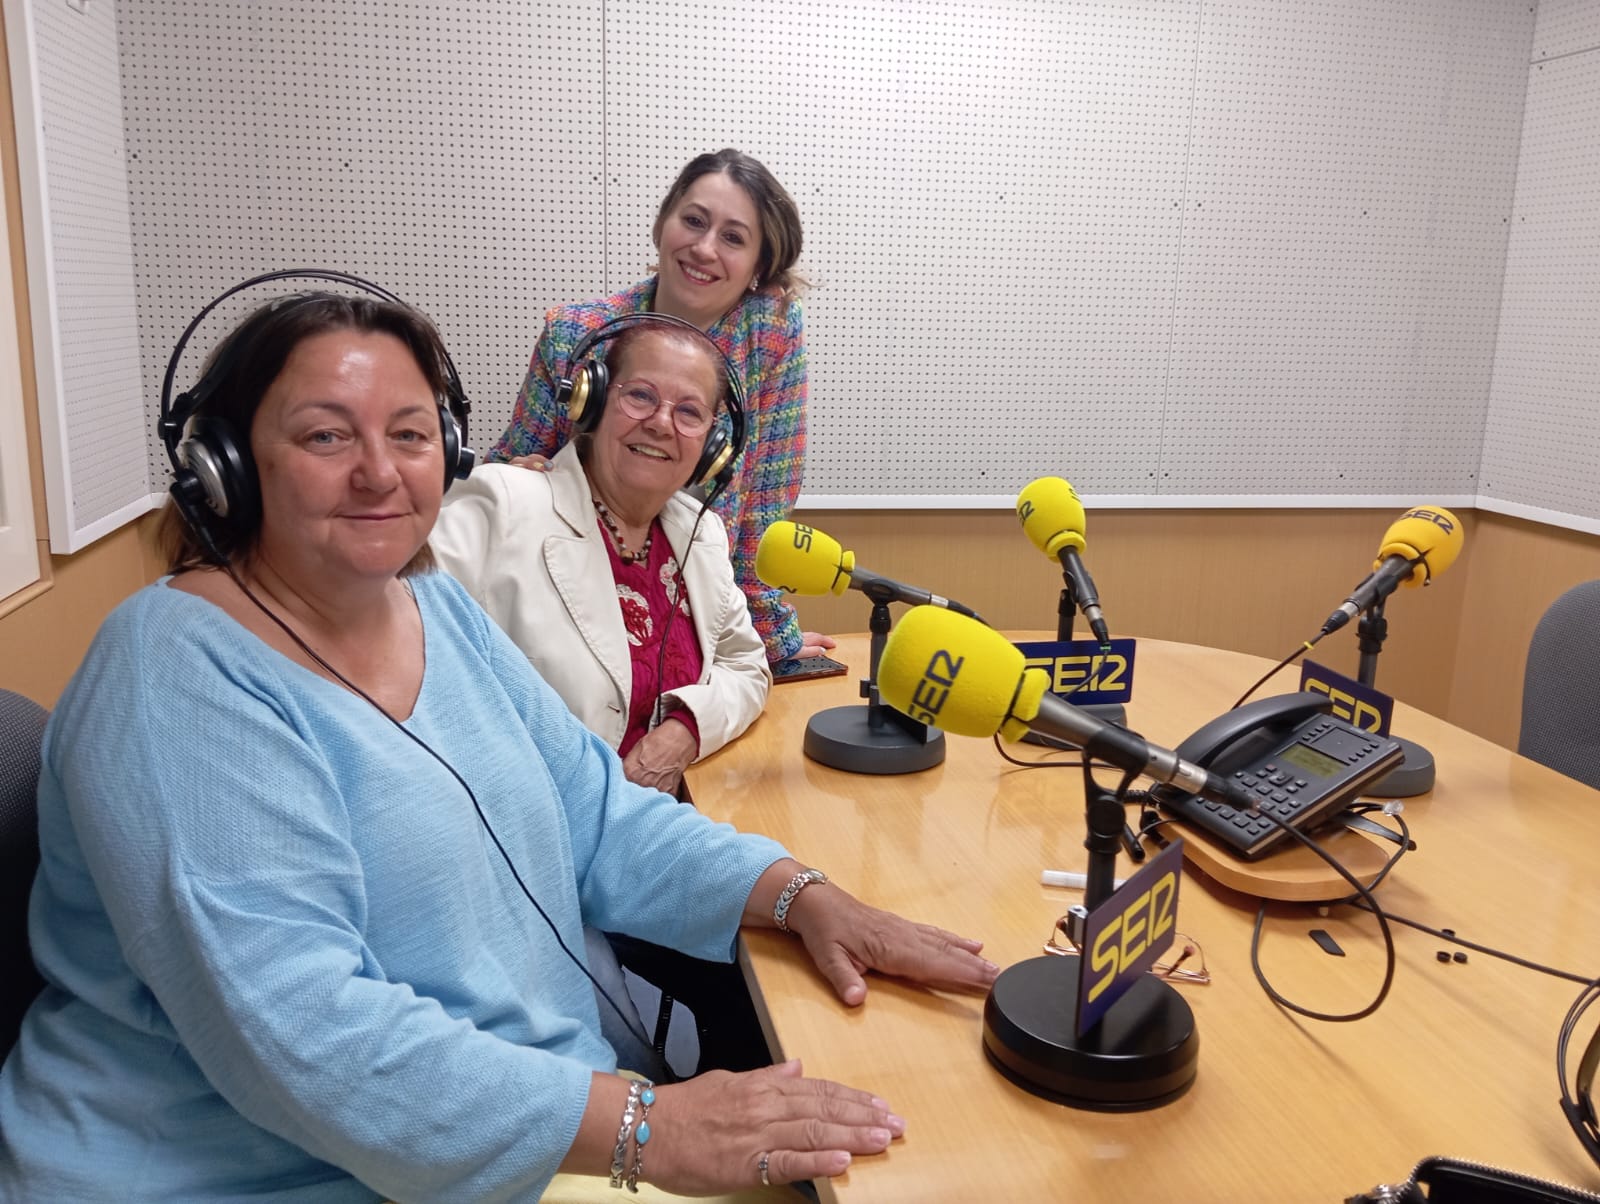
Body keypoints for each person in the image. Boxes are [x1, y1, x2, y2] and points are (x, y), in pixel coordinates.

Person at [0, 288, 998, 1202]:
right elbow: (304, 1032)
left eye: (409, 432)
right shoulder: (173, 676)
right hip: (253, 1170)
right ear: (222, 467)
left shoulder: (431, 605)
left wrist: (798, 891)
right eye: (324, 434)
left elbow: (596, 818)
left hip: (520, 1120)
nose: (379, 471)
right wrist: (646, 1128)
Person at [491, 149, 836, 666]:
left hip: (694, 609)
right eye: (694, 221)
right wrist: (525, 478)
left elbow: (765, 496)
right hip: (570, 609)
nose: (703, 248)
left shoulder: (769, 334)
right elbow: (512, 465)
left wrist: (767, 632)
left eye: (733, 237)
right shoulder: (575, 335)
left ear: (759, 267)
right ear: (663, 222)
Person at [434, 317, 766, 799]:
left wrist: (684, 732)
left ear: (714, 446)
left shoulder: (701, 532)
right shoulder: (502, 504)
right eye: (640, 396)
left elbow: (746, 665)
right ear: (592, 401)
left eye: (690, 412)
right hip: (539, 836)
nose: (660, 422)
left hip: (669, 820)